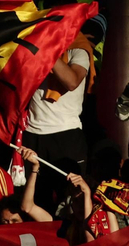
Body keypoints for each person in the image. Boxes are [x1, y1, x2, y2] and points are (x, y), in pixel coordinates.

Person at [22, 24, 95, 178]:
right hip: (32, 134)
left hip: (65, 134)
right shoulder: (33, 47)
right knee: (34, 194)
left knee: (69, 194)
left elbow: (72, 82)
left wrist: (47, 50)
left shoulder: (78, 49)